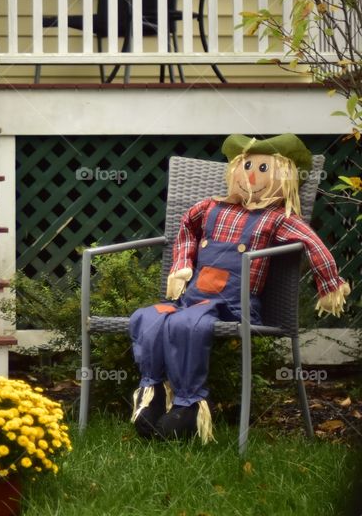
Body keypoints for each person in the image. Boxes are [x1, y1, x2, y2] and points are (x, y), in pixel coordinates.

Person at [129, 134, 350, 442]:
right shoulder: (210, 207)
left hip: (233, 306)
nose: (251, 176)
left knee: (185, 323)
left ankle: (188, 406)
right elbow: (186, 227)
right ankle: (153, 394)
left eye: (263, 168)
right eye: (246, 166)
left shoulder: (277, 217)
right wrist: (182, 264)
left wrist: (329, 285)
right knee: (149, 316)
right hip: (192, 300)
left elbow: (312, 243)